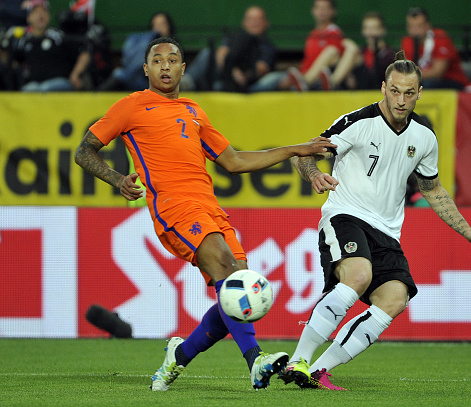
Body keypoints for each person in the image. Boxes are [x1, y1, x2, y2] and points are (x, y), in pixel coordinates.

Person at [74, 36, 336, 391]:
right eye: (157, 60)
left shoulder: (194, 111)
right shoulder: (131, 106)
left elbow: (236, 161)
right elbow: (84, 150)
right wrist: (118, 178)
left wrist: (296, 149)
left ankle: (177, 359)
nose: (165, 66)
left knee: (235, 289)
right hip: (174, 208)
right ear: (145, 68)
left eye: (172, 60)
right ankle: (255, 360)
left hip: (210, 208)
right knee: (233, 277)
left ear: (183, 68)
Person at [279, 50, 471, 390]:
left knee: (395, 298)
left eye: (409, 93)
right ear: (383, 87)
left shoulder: (424, 138)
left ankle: (317, 370)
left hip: (387, 231)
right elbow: (306, 153)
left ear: (419, 93)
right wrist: (314, 175)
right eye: (394, 90)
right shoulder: (357, 122)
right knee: (359, 274)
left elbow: (433, 189)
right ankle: (298, 360)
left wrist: (466, 230)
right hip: (345, 215)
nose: (401, 99)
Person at [259, 0, 359, 92]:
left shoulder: (335, 33)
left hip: (315, 80)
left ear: (332, 11)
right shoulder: (312, 34)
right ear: (313, 11)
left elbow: (337, 58)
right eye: (318, 8)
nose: (321, 11)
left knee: (270, 81)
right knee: (269, 79)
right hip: (301, 74)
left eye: (325, 8)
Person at [181, 6, 276, 93]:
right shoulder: (234, 38)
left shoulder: (267, 46)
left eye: (258, 19)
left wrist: (244, 73)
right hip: (226, 77)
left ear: (265, 23)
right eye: (251, 19)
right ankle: (187, 81)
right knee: (208, 53)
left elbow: (261, 69)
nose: (254, 23)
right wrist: (233, 70)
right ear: (244, 23)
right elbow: (221, 54)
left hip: (250, 84)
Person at [7, 0, 90, 91]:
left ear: (49, 15)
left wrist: (75, 75)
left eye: (44, 11)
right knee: (28, 90)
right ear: (29, 18)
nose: (41, 15)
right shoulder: (25, 40)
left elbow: (84, 54)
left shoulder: (58, 37)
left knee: (44, 88)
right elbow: (14, 63)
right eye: (36, 12)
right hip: (34, 86)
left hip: (59, 83)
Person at [97, 11, 174, 91]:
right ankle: (97, 97)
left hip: (162, 83)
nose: (159, 29)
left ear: (169, 26)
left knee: (120, 74)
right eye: (156, 25)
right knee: (120, 74)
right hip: (141, 80)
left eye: (162, 25)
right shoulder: (147, 44)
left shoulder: (174, 47)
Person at [400, 7, 468, 90]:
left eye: (419, 26)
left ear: (427, 26)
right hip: (421, 79)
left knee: (427, 85)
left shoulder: (440, 37)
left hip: (451, 80)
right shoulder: (407, 41)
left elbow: (437, 73)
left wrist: (411, 76)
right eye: (411, 27)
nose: (415, 31)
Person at [350, 11, 395, 90]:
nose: (370, 33)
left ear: (382, 30)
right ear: (363, 31)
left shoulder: (391, 55)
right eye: (367, 28)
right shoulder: (359, 53)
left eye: (374, 28)